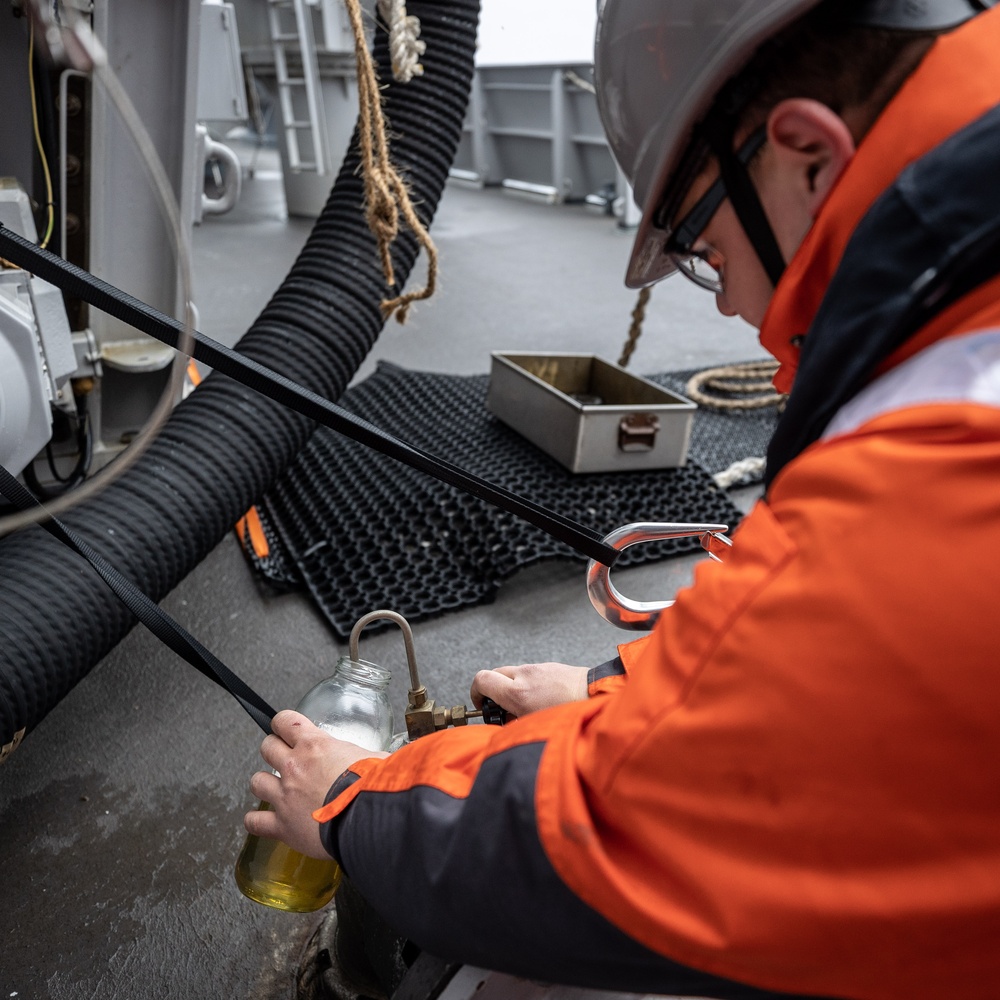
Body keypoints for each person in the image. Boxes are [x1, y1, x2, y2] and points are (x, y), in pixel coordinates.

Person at [245, 1, 1000, 996]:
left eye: (701, 246)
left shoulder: (938, 452)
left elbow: (616, 840)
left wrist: (348, 804)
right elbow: (839, 670)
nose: (726, 302)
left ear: (808, 155)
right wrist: (619, 688)